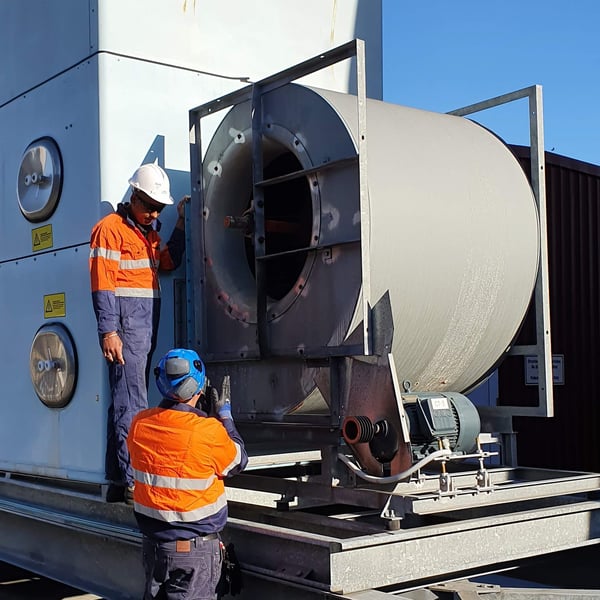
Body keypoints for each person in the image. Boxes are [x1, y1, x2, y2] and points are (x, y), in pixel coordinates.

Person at [89, 162, 188, 504]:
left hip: (142, 326)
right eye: (148, 205)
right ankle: (135, 482)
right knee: (132, 402)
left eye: (158, 207)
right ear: (134, 195)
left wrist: (183, 224)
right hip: (126, 326)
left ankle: (118, 480)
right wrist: (108, 331)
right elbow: (102, 285)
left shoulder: (150, 234)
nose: (152, 212)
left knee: (124, 400)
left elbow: (169, 262)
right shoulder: (110, 230)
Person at [127, 348, 248, 600]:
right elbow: (237, 461)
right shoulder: (207, 431)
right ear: (199, 386)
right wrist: (225, 417)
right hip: (194, 552)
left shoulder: (139, 424)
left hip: (153, 547)